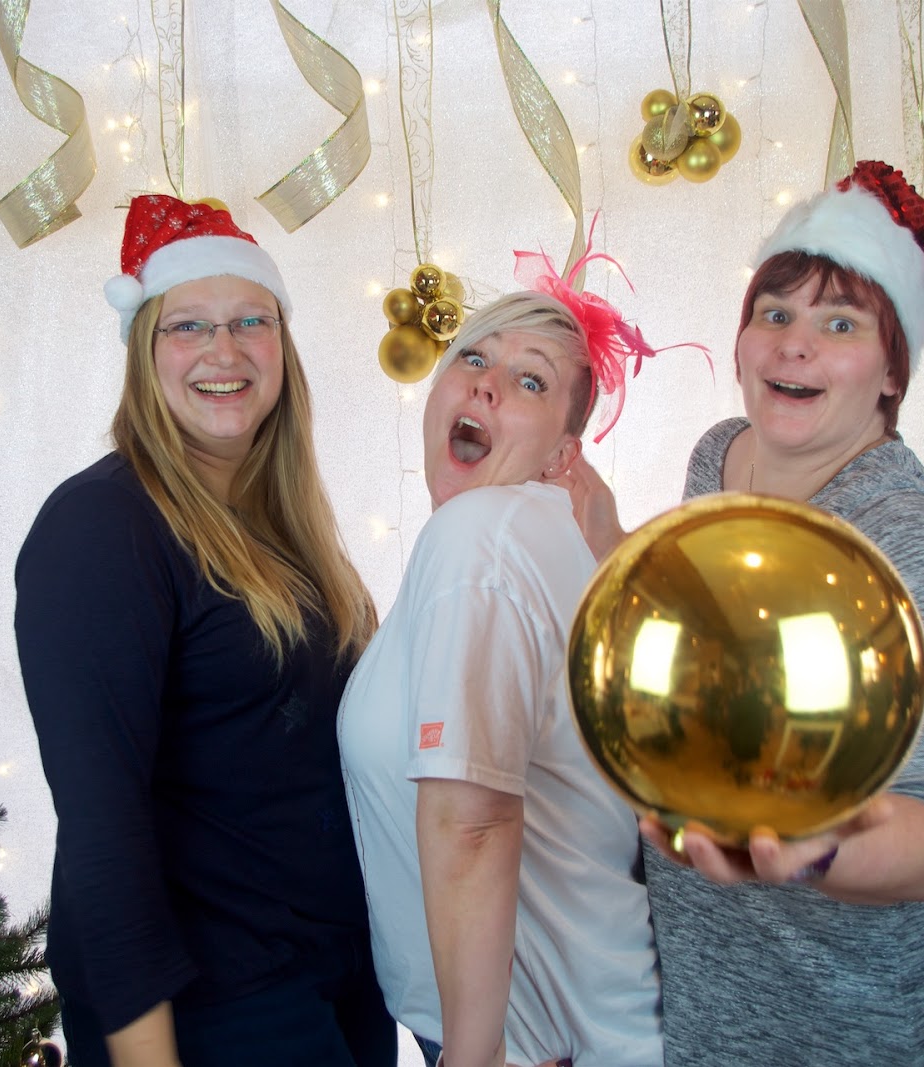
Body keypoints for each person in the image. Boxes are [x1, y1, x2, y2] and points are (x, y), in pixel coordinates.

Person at [558, 160, 924, 1065]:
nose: (795, 345)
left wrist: (814, 849)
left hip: (887, 1024)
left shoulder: (900, 536)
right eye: (775, 315)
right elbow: (718, 631)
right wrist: (609, 535)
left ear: (891, 373)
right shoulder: (721, 457)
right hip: (728, 1004)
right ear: (741, 343)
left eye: (840, 324)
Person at [15, 194, 394, 1067]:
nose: (225, 351)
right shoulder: (102, 527)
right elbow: (102, 825)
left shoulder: (283, 525)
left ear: (282, 345)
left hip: (334, 976)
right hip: (215, 1006)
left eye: (251, 320)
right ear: (145, 353)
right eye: (189, 325)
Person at [340, 243, 680, 1067]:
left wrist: (470, 1057)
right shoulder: (529, 540)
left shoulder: (480, 540)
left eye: (530, 381)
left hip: (534, 1045)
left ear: (565, 453)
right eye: (473, 358)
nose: (486, 384)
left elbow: (475, 820)